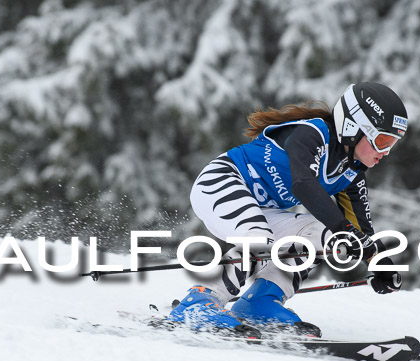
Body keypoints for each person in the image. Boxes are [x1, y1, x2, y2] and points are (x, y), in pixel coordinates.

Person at [166, 82, 407, 338]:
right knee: (259, 237)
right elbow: (303, 184)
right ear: (353, 127)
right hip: (221, 182)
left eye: (392, 144)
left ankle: (259, 303)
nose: (386, 152)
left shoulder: (352, 172)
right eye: (381, 141)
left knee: (320, 234)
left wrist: (378, 263)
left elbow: (359, 232)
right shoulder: (311, 134)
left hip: (259, 208)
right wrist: (346, 231)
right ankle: (199, 302)